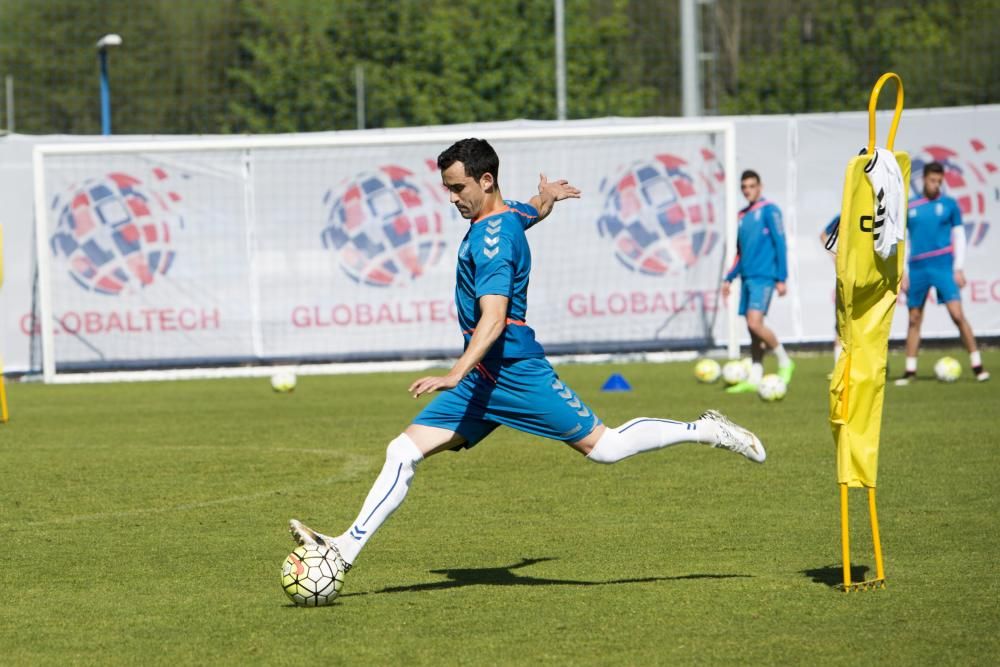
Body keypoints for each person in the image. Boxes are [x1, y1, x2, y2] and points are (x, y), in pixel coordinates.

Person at [289, 138, 766, 574]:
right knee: (402, 450)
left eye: (458, 188)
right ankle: (343, 551)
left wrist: (455, 372)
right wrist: (548, 198)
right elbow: (528, 211)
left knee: (607, 448)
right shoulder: (502, 216)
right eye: (448, 190)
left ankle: (706, 429)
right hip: (484, 377)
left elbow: (493, 319)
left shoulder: (490, 240)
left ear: (486, 180)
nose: (452, 198)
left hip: (514, 372)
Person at [896, 161, 989, 385]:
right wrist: (902, 272)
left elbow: (959, 237)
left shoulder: (949, 205)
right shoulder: (910, 207)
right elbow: (903, 243)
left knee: (957, 314)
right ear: (924, 179)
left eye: (939, 181)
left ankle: (977, 365)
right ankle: (910, 371)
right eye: (932, 180)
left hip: (943, 266)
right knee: (914, 318)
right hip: (917, 267)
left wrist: (958, 267)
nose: (936, 184)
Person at [721, 170, 794, 393]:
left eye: (751, 186)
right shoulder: (742, 215)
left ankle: (784, 361)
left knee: (755, 323)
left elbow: (780, 243)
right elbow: (740, 252)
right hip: (747, 278)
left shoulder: (770, 210)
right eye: (744, 187)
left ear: (760, 187)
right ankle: (755, 376)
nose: (748, 190)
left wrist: (782, 277)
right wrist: (729, 277)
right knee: (752, 330)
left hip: (765, 277)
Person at [820, 214, 842, 368]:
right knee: (841, 322)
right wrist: (835, 257)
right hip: (846, 276)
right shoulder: (846, 212)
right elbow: (823, 235)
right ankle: (839, 368)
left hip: (869, 275)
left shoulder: (877, 211)